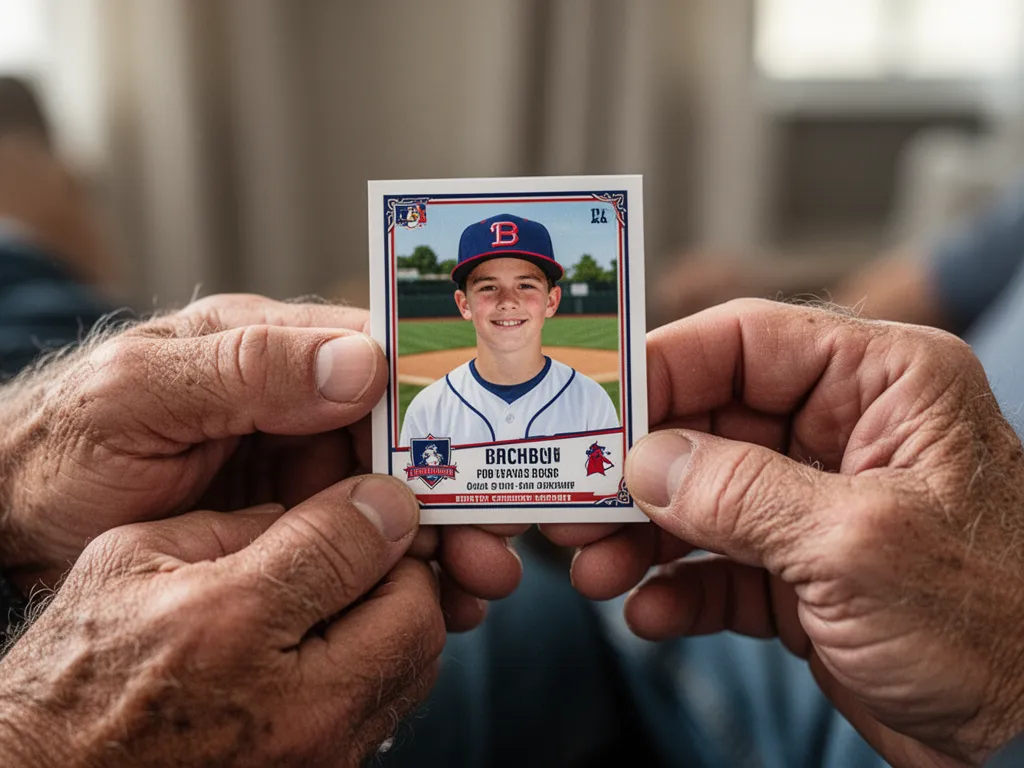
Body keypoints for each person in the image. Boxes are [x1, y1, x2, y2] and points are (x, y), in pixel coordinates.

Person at [400, 213, 618, 446]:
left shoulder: (592, 402)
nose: (508, 301)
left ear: (552, 301)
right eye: (489, 287)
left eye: (525, 285)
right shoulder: (428, 410)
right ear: (464, 304)